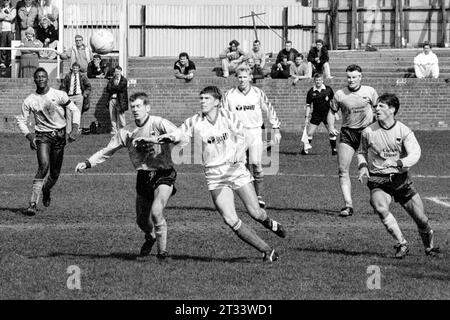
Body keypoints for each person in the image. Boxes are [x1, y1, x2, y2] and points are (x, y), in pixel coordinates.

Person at [157, 86, 286, 262]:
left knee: (256, 213)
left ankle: (269, 222)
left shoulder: (228, 116)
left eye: (206, 98)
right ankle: (267, 250)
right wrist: (170, 137)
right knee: (230, 219)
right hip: (215, 175)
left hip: (236, 171)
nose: (202, 101)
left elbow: (245, 137)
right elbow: (180, 132)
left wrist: (239, 152)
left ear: (217, 102)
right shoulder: (195, 120)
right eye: (201, 98)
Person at [75, 92, 178, 259]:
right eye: (133, 107)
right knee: (141, 221)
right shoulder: (127, 131)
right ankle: (151, 236)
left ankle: (162, 253)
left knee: (157, 211)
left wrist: (160, 139)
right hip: (144, 175)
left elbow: (179, 135)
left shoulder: (159, 123)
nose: (135, 110)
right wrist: (88, 162)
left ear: (147, 107)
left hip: (164, 172)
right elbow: (107, 150)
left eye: (139, 106)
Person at [357, 93, 441, 258]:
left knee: (422, 220)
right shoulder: (368, 131)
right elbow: (361, 152)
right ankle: (402, 244)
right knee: (380, 207)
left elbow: (415, 153)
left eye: (381, 106)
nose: (376, 108)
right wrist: (363, 166)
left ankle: (429, 248)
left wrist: (398, 163)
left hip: (401, 180)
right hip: (378, 179)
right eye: (376, 106)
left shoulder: (404, 131)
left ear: (392, 109)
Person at [15, 67, 81, 216]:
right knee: (43, 166)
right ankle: (32, 203)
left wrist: (75, 129)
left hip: (59, 136)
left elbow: (75, 110)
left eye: (43, 76)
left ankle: (46, 190)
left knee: (55, 173)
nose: (41, 79)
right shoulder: (29, 100)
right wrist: (30, 137)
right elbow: (21, 120)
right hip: (42, 137)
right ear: (34, 80)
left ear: (47, 78)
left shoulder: (59, 95)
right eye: (38, 77)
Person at [222, 65, 282, 209]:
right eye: (240, 77)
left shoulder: (257, 93)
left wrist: (276, 128)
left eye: (245, 77)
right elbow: (222, 115)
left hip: (255, 132)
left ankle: (258, 196)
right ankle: (249, 197)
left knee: (256, 163)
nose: (242, 80)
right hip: (237, 134)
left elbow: (269, 109)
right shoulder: (229, 95)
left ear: (250, 78)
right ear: (237, 78)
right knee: (241, 165)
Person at [327, 64, 378, 217]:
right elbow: (331, 111)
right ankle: (348, 205)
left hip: (367, 133)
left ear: (360, 77)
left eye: (354, 77)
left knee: (374, 169)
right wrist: (330, 126)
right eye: (349, 77)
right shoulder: (340, 94)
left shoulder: (370, 92)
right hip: (348, 134)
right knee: (343, 169)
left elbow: (379, 109)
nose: (351, 80)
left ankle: (376, 200)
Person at [301, 73, 336, 155]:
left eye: (320, 80)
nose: (318, 82)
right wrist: (306, 117)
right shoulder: (311, 92)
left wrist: (335, 112)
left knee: (331, 132)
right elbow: (308, 105)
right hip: (316, 115)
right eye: (316, 80)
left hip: (327, 115)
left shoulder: (328, 89)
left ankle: (334, 150)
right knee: (309, 133)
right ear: (314, 81)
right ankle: (305, 150)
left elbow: (333, 102)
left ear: (322, 80)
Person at [60, 62, 91, 133]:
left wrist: (85, 94)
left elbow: (88, 86)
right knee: (68, 114)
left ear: (79, 69)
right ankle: (68, 131)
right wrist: (64, 95)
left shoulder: (82, 76)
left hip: (79, 96)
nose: (75, 69)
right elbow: (63, 87)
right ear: (72, 68)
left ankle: (76, 131)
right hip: (69, 97)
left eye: (76, 68)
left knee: (77, 114)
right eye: (74, 68)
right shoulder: (68, 76)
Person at [106, 65, 128, 134]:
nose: (117, 72)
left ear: (121, 72)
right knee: (112, 116)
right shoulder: (111, 80)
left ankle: (123, 130)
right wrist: (115, 88)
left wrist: (113, 88)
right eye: (116, 71)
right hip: (111, 100)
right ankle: (114, 130)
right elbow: (108, 89)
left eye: (118, 71)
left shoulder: (124, 80)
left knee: (121, 116)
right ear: (114, 72)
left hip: (120, 100)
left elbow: (120, 88)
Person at [0, 0, 16, 70]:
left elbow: (12, 18)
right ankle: (2, 62)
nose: (5, 2)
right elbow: (0, 17)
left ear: (9, 1)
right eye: (4, 0)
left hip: (10, 30)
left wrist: (4, 15)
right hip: (2, 30)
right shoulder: (0, 8)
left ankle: (10, 62)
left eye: (7, 0)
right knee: (2, 46)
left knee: (10, 46)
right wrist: (7, 15)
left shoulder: (13, 9)